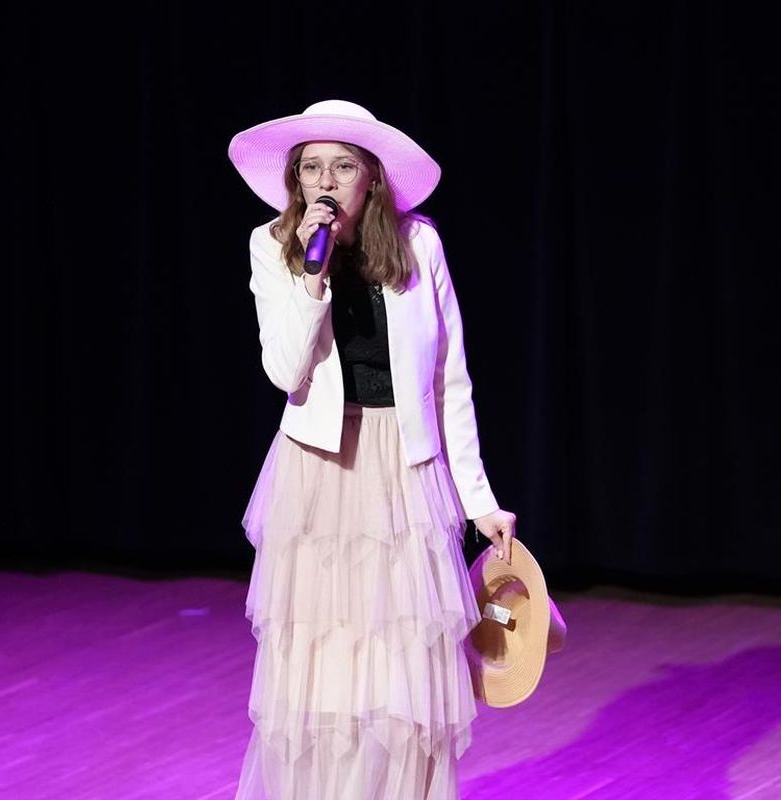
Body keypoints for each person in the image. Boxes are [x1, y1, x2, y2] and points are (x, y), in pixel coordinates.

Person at [228, 99, 517, 799]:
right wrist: (313, 277)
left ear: (372, 178)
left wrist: (480, 500)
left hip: (402, 469)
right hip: (319, 471)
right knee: (322, 660)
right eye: (311, 168)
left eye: (343, 166)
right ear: (296, 180)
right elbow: (285, 370)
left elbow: (449, 381)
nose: (325, 181)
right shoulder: (271, 245)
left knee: (401, 663)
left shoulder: (419, 244)